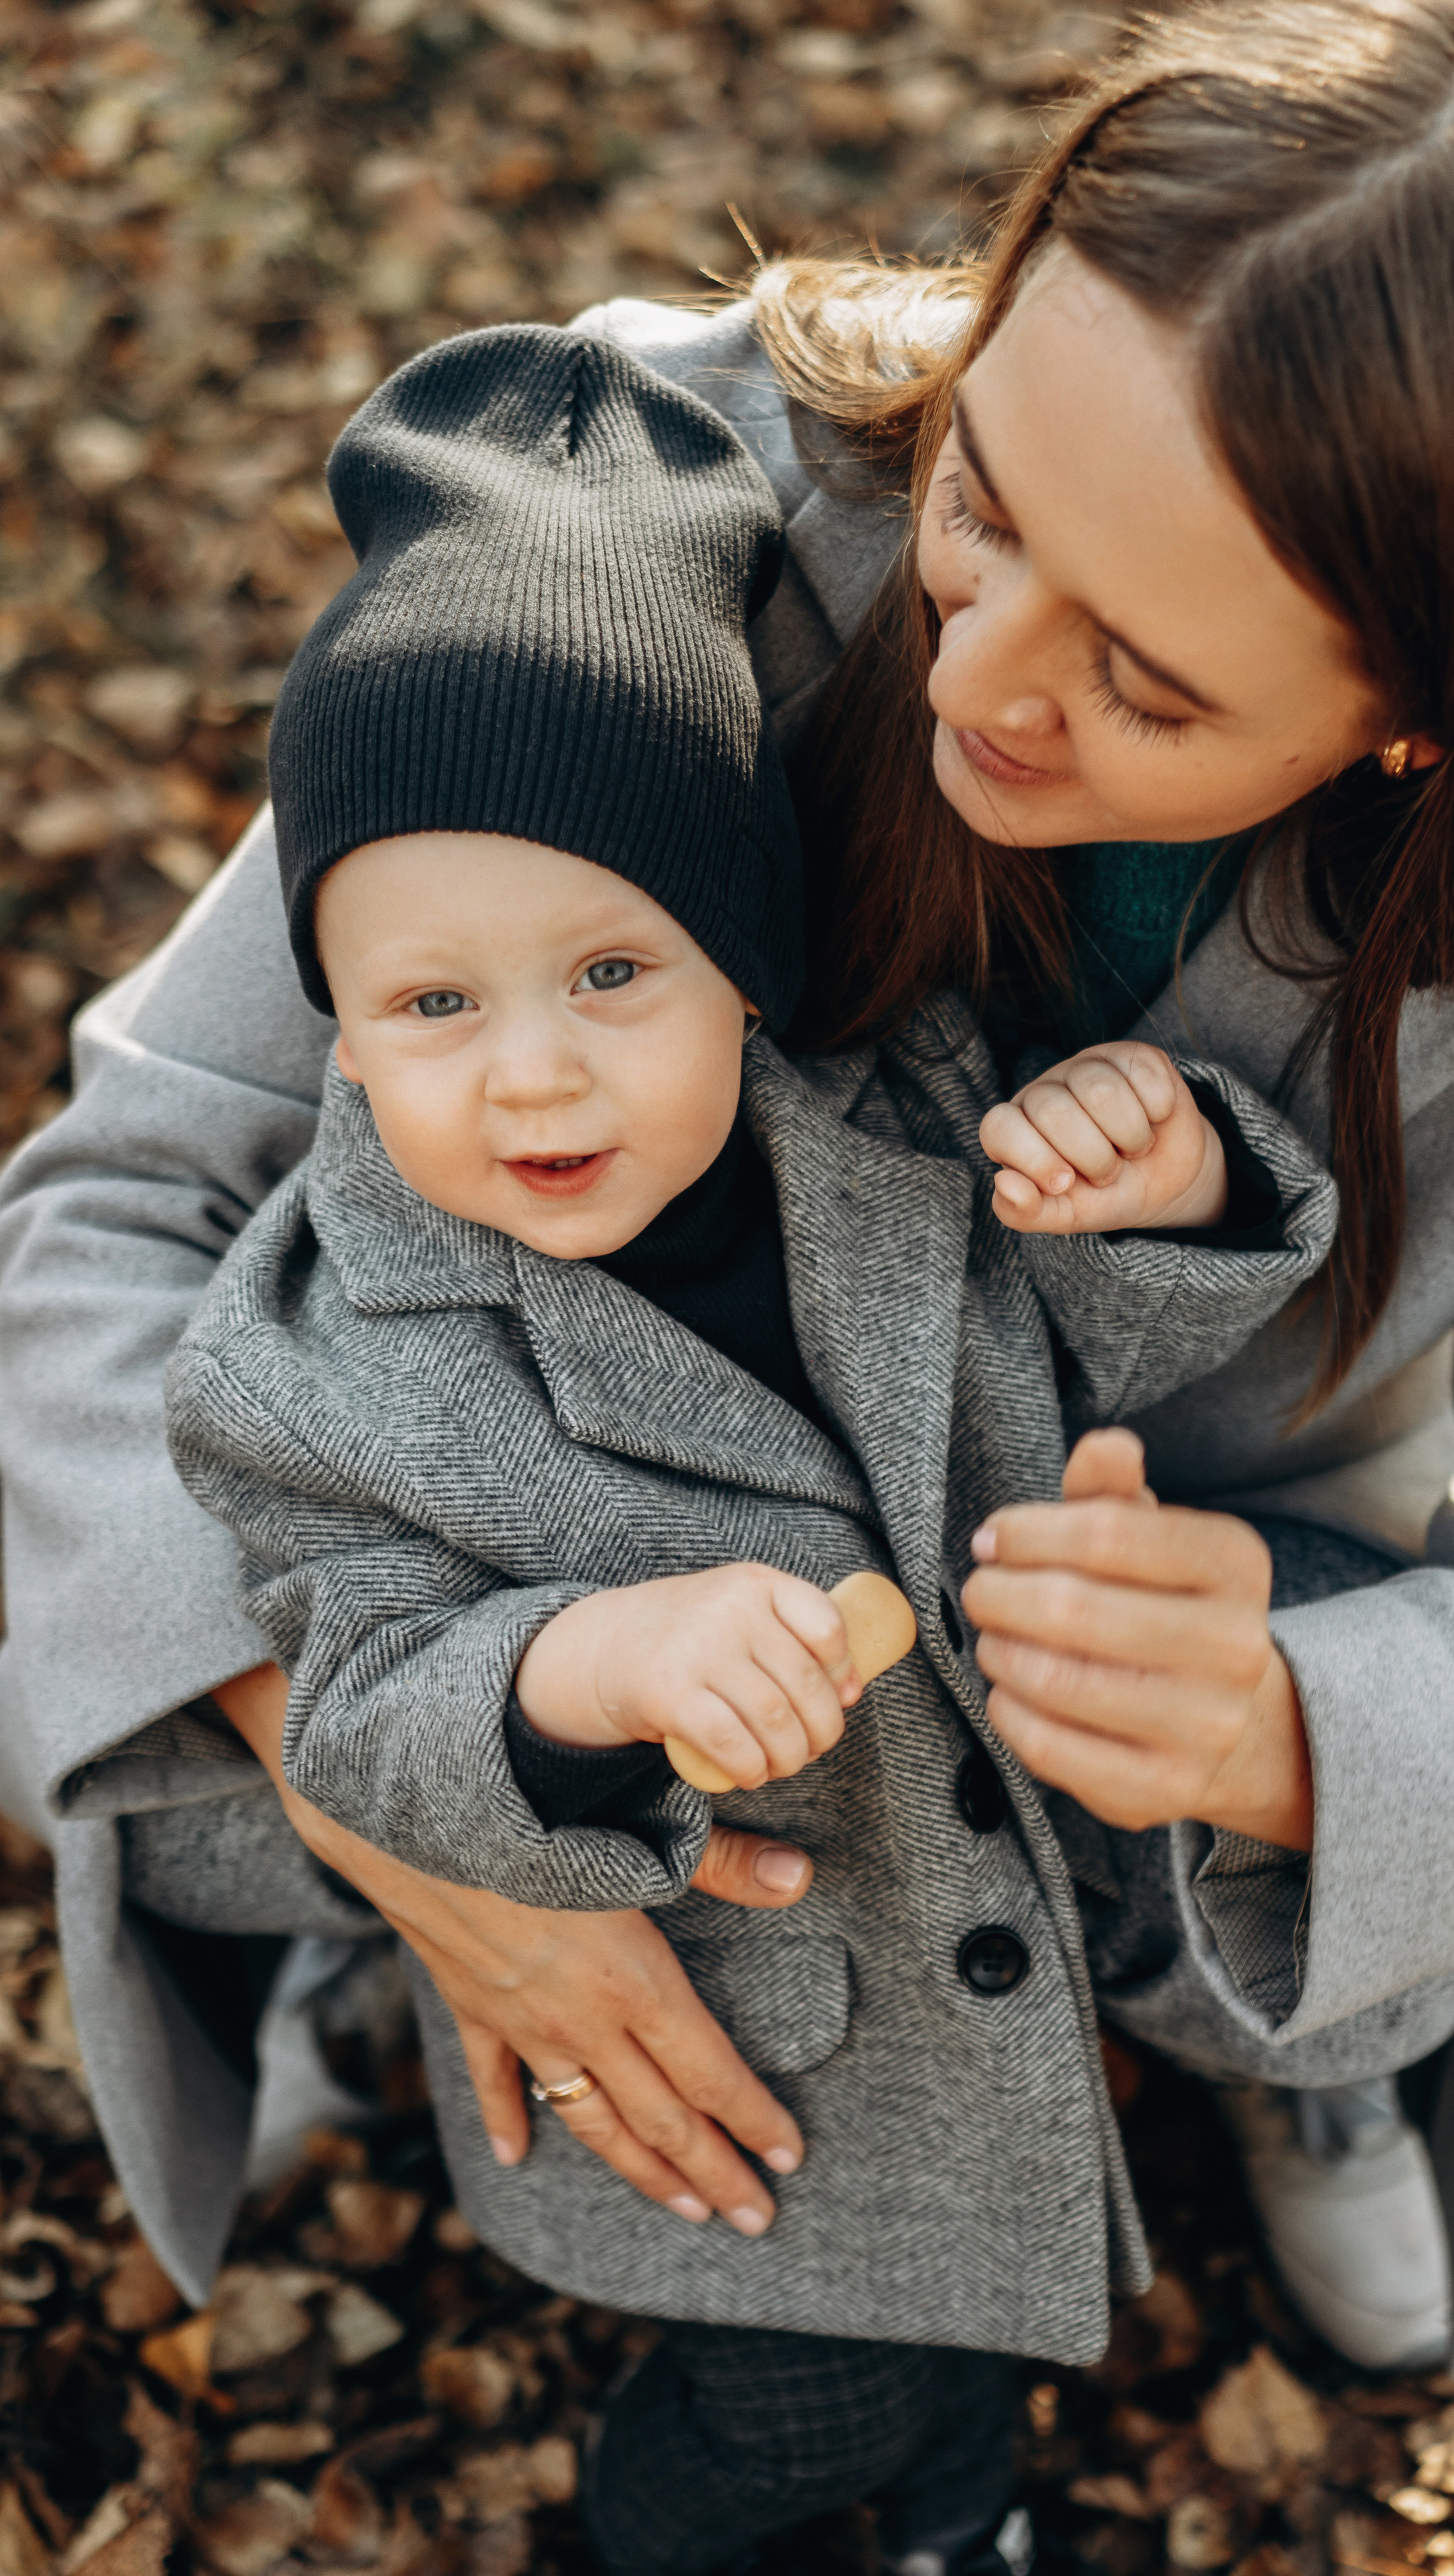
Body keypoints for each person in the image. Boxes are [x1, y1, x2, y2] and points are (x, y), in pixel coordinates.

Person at [3, 0, 1454, 2461]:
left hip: (1174, 1582)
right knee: (182, 1671)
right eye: (985, 498)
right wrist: (386, 1778)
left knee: (1392, 1811)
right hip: (567, 1523)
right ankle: (337, 1960)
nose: (979, 680)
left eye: (1141, 675)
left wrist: (1286, 1739)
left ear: (1422, 720)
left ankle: (1294, 2015)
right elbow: (112, 1214)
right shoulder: (623, 502)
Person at [160, 322, 1335, 2573]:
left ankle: (961, 2530)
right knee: (794, 2407)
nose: (534, 1079)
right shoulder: (323, 1343)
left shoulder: (885, 1135)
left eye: (616, 974)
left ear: (746, 972)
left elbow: (1078, 1337)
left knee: (992, 2337)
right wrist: (588, 1673)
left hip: (988, 1948)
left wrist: (1171, 1177)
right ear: (338, 1019)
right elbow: (365, 1706)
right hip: (732, 2050)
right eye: (430, 1005)